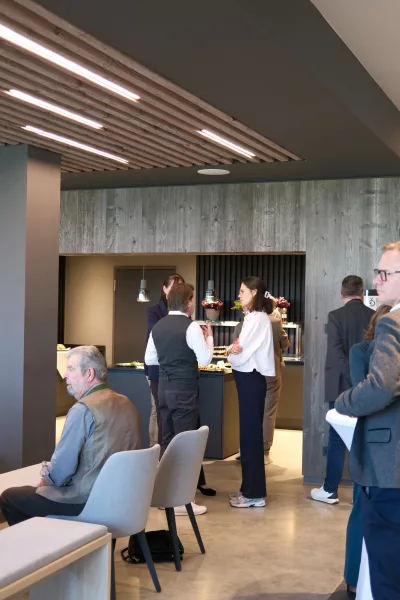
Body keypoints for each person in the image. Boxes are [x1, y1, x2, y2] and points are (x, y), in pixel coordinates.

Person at [0, 346, 141, 526]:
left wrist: (45, 481)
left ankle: (47, 542)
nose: (65, 374)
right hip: (122, 497)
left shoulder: (83, 410)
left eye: (71, 369)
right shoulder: (127, 403)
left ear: (89, 374)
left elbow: (62, 468)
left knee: (9, 498)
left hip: (85, 500)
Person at [335, 242, 400, 600]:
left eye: (384, 274)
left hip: (389, 468)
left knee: (387, 576)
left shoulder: (392, 321)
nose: (377, 281)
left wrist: (344, 401)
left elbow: (380, 386)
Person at [145, 283, 215, 515]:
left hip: (163, 389)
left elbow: (150, 359)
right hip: (184, 389)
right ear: (187, 302)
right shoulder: (191, 326)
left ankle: (165, 496)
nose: (193, 303)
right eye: (192, 299)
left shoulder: (159, 326)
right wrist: (209, 338)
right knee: (185, 443)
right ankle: (183, 500)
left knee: (167, 441)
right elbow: (205, 359)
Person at [311, 276, 374, 505]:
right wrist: (361, 380)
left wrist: (351, 378)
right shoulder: (374, 316)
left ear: (341, 293)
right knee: (365, 438)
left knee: (336, 438)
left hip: (339, 386)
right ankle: (364, 492)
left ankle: (330, 490)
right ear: (362, 292)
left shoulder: (335, 316)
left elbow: (337, 354)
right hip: (368, 386)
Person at [344, 304, 391, 598]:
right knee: (362, 506)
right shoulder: (361, 351)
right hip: (372, 440)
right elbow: (364, 392)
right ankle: (353, 578)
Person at [228, 277, 275, 508]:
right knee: (248, 436)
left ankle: (254, 494)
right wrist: (232, 350)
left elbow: (240, 353)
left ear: (254, 292)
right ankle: (248, 489)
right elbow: (237, 349)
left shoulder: (256, 319)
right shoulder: (253, 318)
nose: (239, 295)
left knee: (251, 437)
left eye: (242, 291)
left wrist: (230, 352)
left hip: (251, 379)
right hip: (249, 380)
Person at [234, 295, 289, 464]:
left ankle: (246, 449)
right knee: (268, 412)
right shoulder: (274, 323)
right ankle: (264, 452)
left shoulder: (241, 326)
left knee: (249, 411)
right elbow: (285, 344)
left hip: (248, 375)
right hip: (270, 374)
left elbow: (236, 350)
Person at [145, 273, 184, 447]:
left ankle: (166, 447)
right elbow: (157, 332)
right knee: (158, 409)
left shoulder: (182, 312)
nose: (176, 290)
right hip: (156, 367)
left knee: (168, 410)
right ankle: (154, 447)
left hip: (174, 369)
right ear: (164, 288)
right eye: (173, 287)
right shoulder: (154, 311)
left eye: (180, 287)